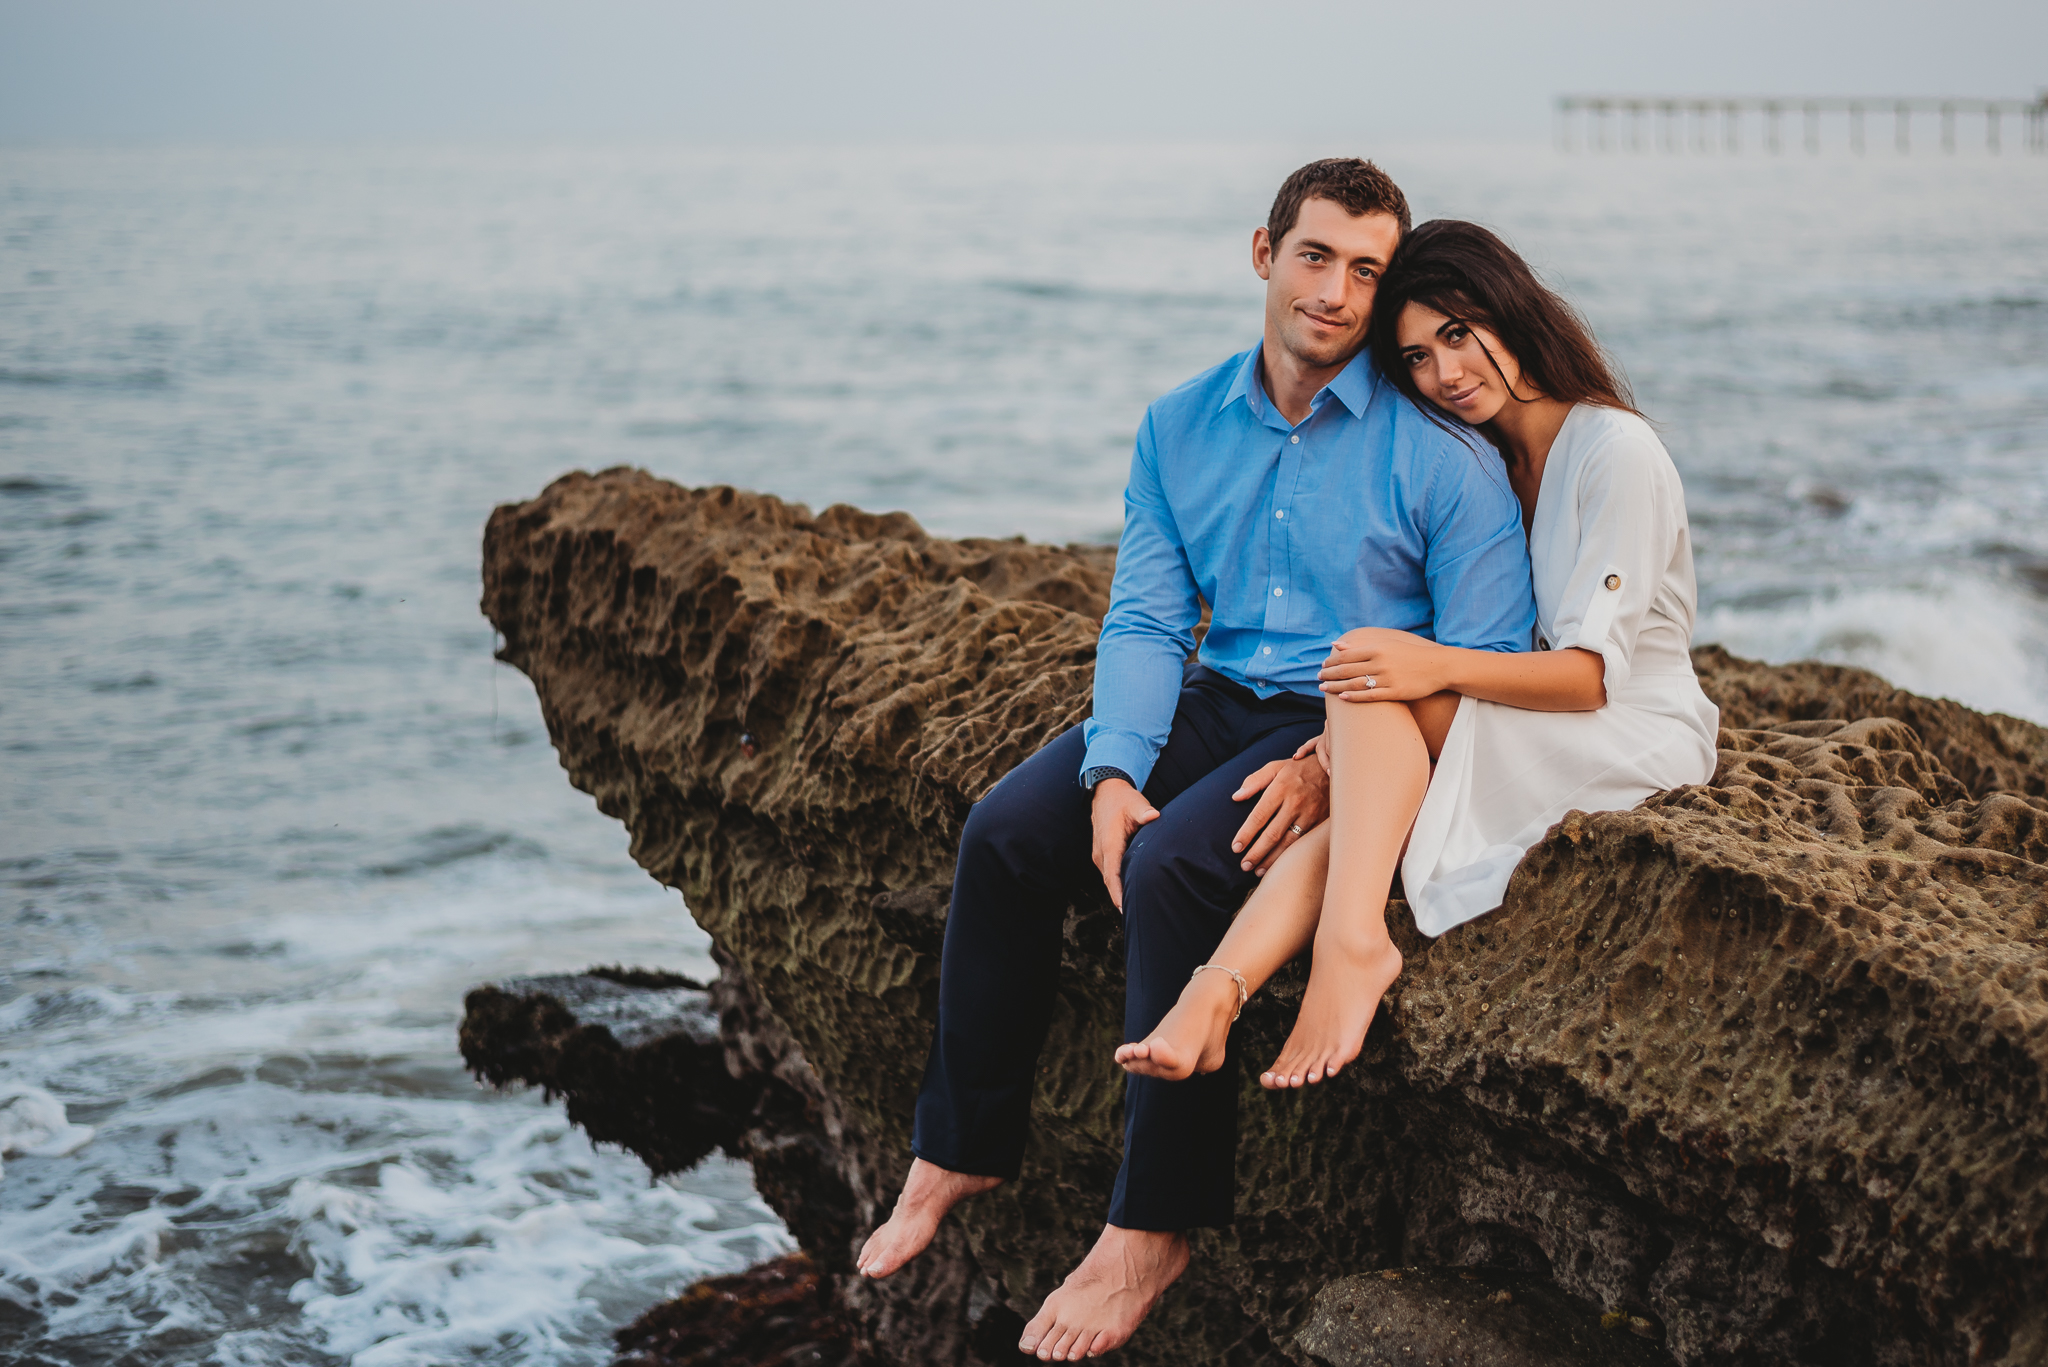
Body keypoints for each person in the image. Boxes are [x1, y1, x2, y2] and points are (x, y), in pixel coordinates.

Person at [852, 161, 1536, 1362]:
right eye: (1315, 255)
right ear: (1262, 250)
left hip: (1354, 715)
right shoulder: (1178, 424)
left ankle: (1151, 1224)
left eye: (1367, 270)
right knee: (1009, 832)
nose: (1334, 291)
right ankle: (957, 1144)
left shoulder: (1440, 454)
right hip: (1218, 692)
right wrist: (1113, 768)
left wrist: (1340, 758)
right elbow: (1147, 619)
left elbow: (1477, 659)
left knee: (1173, 862)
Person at [1117, 219, 1720, 1106]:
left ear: (1513, 311)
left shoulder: (1613, 452)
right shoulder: (1504, 460)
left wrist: (1427, 664)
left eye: (1457, 334)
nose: (1443, 374)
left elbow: (1593, 674)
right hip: (1544, 711)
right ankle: (1219, 990)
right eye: (1414, 358)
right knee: (1367, 773)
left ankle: (1347, 942)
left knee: (1369, 676)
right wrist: (1357, 723)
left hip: (1627, 726)